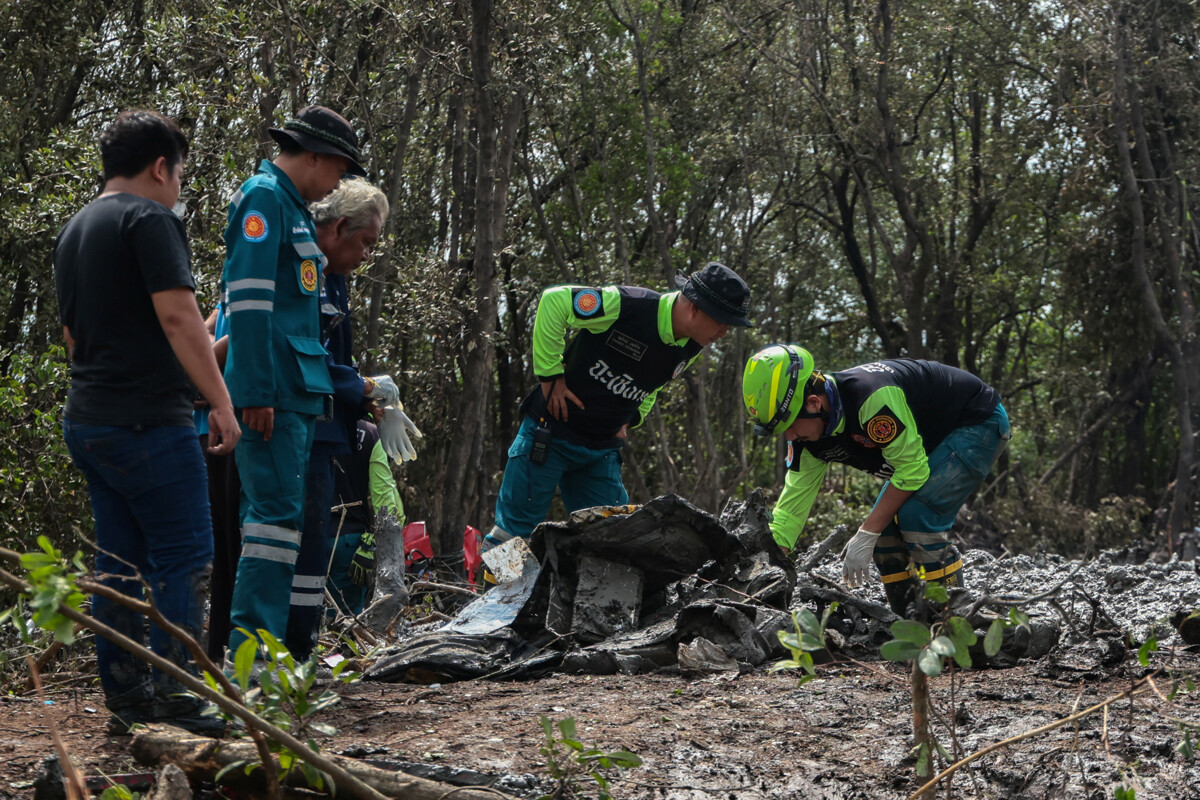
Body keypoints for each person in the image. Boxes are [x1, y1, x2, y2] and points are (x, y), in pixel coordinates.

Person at [54, 110, 241, 736]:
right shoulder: (151, 219)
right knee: (185, 552)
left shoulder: (76, 228)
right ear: (162, 166)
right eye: (180, 174)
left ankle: (129, 698)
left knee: (120, 562)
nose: (179, 188)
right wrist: (219, 401)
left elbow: (75, 336)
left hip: (89, 420)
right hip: (147, 426)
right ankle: (180, 695)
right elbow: (178, 320)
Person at [484, 262, 753, 562]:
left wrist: (632, 417)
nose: (724, 331)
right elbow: (554, 301)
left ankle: (584, 609)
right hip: (548, 436)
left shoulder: (692, 345)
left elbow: (655, 385)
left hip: (600, 452)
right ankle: (493, 610)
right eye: (722, 321)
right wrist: (550, 375)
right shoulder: (628, 305)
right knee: (512, 537)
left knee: (611, 542)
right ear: (695, 307)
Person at [223, 105, 368, 658]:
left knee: (282, 526)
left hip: (299, 394)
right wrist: (255, 391)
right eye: (338, 170)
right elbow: (250, 307)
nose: (339, 183)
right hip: (274, 395)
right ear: (312, 156)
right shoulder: (263, 199)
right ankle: (250, 657)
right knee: (271, 526)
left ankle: (272, 656)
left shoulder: (294, 209)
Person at [741, 346, 1011, 616]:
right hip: (923, 444)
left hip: (977, 422)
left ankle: (954, 619)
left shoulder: (869, 397)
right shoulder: (807, 441)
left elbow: (912, 470)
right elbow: (788, 517)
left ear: (813, 403)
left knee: (917, 516)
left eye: (789, 425)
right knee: (884, 528)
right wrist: (760, 566)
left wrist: (865, 532)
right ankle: (908, 622)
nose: (788, 437)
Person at [281, 176, 418, 659]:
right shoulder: (301, 266)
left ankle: (302, 652)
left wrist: (370, 403)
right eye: (365, 243)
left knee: (313, 550)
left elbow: (334, 356)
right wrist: (361, 386)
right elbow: (302, 354)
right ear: (338, 227)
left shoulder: (334, 278)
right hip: (290, 425)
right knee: (284, 546)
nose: (367, 255)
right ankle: (283, 657)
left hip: (327, 428)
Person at [327, 419, 406, 616]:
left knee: (303, 612)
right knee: (345, 621)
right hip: (351, 544)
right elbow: (385, 500)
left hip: (310, 535)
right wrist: (376, 541)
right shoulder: (370, 434)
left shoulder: (311, 422)